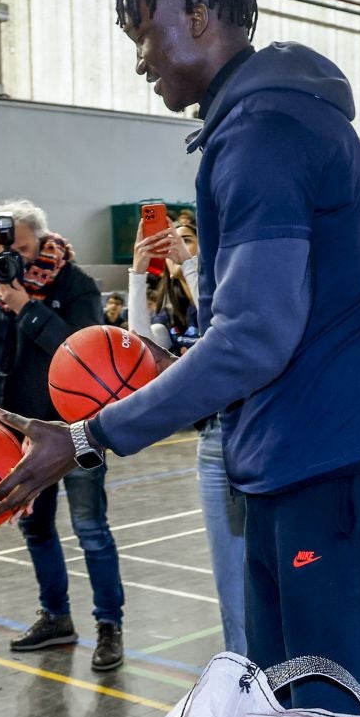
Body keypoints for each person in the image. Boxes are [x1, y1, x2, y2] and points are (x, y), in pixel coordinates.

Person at [0, 0, 360, 716]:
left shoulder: (264, 133)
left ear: (199, 16)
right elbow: (256, 324)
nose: (140, 60)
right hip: (304, 463)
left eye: (144, 35)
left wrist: (90, 434)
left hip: (340, 470)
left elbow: (257, 334)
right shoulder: (260, 123)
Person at [0, 199, 123, 672]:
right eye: (8, 250)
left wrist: (28, 308)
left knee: (91, 529)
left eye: (24, 248)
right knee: (35, 526)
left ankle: (110, 625)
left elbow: (83, 352)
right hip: (19, 429)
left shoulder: (76, 284)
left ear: (44, 240)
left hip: (76, 427)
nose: (18, 259)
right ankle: (56, 617)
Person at [128, 224, 245, 656]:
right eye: (169, 237)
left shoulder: (230, 287)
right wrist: (139, 272)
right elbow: (137, 351)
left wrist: (191, 264)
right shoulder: (170, 310)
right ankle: (244, 677)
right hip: (213, 442)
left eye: (187, 237)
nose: (174, 243)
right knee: (229, 575)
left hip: (256, 436)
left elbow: (224, 326)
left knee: (273, 570)